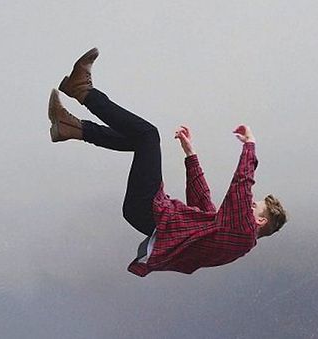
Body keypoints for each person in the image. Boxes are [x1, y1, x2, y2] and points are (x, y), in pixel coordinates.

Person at [48, 48, 288, 277]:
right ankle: (71, 127)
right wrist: (191, 155)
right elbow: (204, 209)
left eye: (255, 206)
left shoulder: (243, 233)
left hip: (150, 212)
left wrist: (249, 146)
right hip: (147, 214)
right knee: (139, 140)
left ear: (260, 220)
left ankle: (82, 91)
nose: (249, 204)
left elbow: (240, 187)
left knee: (148, 135)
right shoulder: (231, 237)